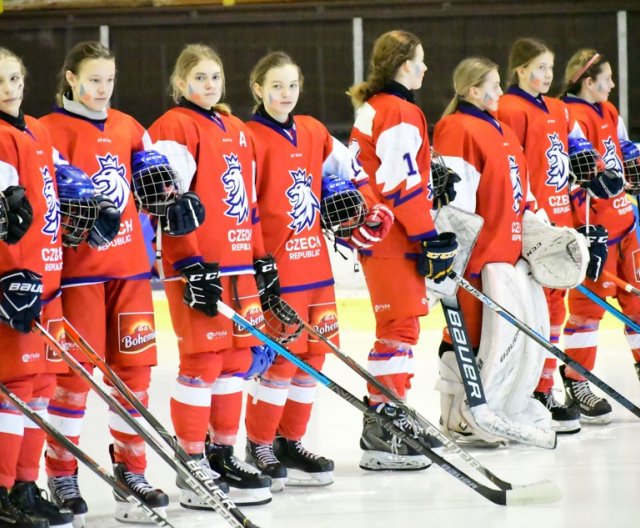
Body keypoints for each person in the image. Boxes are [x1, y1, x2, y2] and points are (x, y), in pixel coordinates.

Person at [243, 51, 390, 489]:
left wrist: (367, 205)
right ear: (257, 89)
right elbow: (244, 206)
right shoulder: (248, 137)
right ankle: (260, 443)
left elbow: (350, 170)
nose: (285, 94)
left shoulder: (313, 130)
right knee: (282, 362)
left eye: (291, 86)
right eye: (275, 87)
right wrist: (255, 261)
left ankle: (291, 440)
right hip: (279, 268)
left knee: (313, 358)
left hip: (316, 265)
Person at [40, 41, 169, 525]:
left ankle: (131, 471)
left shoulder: (129, 126)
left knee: (133, 377)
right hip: (78, 277)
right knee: (72, 381)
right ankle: (62, 474)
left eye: (109, 80)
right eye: (93, 79)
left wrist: (173, 200)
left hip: (131, 272)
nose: (102, 89)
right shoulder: (46, 131)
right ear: (70, 78)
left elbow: (154, 182)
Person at [148, 43, 273, 507]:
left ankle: (222, 452)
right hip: (202, 266)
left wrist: (262, 258)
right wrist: (187, 263)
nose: (209, 85)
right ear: (181, 83)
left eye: (215, 77)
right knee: (202, 362)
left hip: (240, 264)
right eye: (199, 78)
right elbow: (170, 205)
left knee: (237, 363)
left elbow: (250, 199)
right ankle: (191, 461)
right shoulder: (174, 125)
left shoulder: (238, 129)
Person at [433, 57, 561, 446]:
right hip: (475, 257)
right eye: (493, 85)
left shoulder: (502, 130)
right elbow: (453, 204)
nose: (501, 92)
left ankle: (492, 406)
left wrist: (543, 233)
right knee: (468, 334)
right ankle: (455, 414)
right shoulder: (456, 128)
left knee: (501, 339)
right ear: (473, 90)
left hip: (507, 254)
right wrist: (451, 256)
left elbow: (522, 193)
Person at [347, 30, 458, 470]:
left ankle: (389, 414)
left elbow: (394, 172)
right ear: (402, 63)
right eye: (420, 60)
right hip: (395, 237)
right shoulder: (399, 110)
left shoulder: (376, 106)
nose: (426, 68)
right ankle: (382, 427)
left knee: (400, 327)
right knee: (399, 327)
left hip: (384, 234)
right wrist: (427, 234)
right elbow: (400, 184)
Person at [0, 47, 74, 528]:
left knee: (42, 386)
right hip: (14, 284)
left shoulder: (38, 131)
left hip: (48, 279)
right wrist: (8, 275)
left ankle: (26, 485)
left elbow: (61, 189)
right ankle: (2, 490)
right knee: (13, 389)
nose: (8, 88)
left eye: (14, 78)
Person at [497, 37, 586, 434]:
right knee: (531, 310)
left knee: (555, 309)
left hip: (560, 219)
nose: (547, 75)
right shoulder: (510, 109)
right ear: (519, 70)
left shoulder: (558, 108)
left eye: (551, 67)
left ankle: (546, 386)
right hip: (532, 223)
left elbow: (572, 166)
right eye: (539, 67)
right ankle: (528, 390)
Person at [559, 49, 639, 424]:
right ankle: (577, 381)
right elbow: (578, 168)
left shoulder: (607, 111)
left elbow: (623, 148)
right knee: (587, 313)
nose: (611, 84)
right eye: (605, 78)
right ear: (588, 82)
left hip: (626, 223)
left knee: (639, 305)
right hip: (595, 230)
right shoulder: (568, 116)